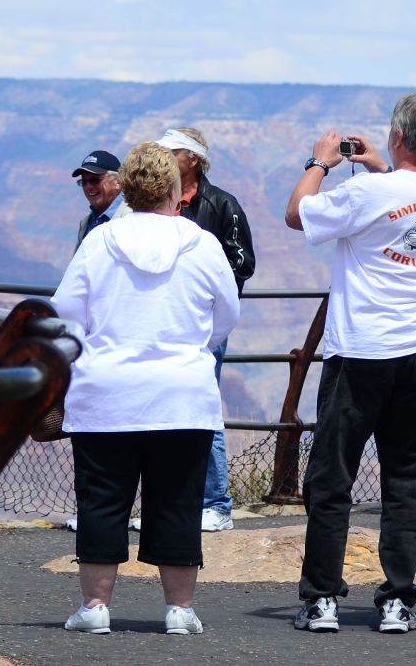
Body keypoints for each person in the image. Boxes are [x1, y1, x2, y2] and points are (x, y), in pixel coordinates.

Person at [284, 93, 416, 634]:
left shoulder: (368, 191)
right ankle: (397, 602)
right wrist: (379, 165)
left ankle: (321, 599)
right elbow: (408, 202)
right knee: (406, 478)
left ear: (397, 137)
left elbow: (297, 215)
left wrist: (321, 161)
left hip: (362, 353)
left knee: (332, 476)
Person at [52, 142, 240, 636]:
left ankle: (94, 607)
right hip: (182, 394)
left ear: (127, 189)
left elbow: (66, 314)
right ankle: (179, 609)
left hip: (106, 395)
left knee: (101, 500)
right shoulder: (202, 244)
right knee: (178, 501)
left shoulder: (99, 242)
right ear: (176, 190)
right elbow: (227, 316)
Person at [154, 127, 255, 533]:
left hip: (203, 323)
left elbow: (243, 262)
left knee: (203, 406)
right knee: (161, 409)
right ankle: (172, 503)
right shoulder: (156, 203)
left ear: (192, 159)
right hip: (162, 320)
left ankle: (215, 504)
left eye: (171, 153)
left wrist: (202, 288)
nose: (163, 160)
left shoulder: (221, 204)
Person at [73, 150, 129, 250]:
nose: (88, 187)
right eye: (84, 182)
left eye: (95, 180)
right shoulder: (87, 222)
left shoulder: (131, 217)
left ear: (117, 181)